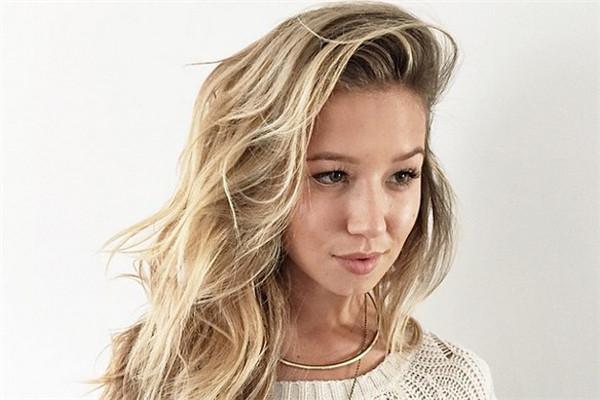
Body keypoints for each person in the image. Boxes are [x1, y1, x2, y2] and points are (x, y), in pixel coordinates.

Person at [92, 1, 497, 399]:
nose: (371, 222)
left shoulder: (450, 385)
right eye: (332, 175)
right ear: (261, 177)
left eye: (402, 176)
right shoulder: (164, 368)